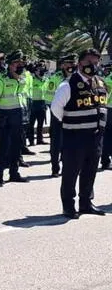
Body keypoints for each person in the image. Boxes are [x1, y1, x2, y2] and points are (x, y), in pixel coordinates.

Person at [50, 49, 107, 219]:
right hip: (75, 137)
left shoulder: (100, 83)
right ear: (80, 63)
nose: (94, 66)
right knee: (70, 172)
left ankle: (86, 203)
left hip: (95, 137)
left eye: (96, 63)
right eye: (90, 62)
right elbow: (56, 109)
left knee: (90, 171)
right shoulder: (68, 84)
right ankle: (68, 206)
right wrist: (74, 125)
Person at [0, 50, 29, 185]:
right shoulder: (1, 80)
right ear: (10, 65)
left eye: (21, 63)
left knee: (17, 147)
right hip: (6, 117)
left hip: (19, 116)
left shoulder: (22, 80)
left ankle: (14, 173)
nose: (19, 65)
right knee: (4, 147)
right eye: (16, 63)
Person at [46, 54, 77, 177]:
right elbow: (49, 97)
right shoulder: (55, 78)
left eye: (73, 63)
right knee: (56, 142)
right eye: (68, 63)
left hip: (72, 114)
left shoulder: (77, 77)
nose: (71, 66)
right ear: (62, 65)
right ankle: (55, 167)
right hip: (57, 114)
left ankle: (67, 167)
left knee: (69, 142)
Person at [28, 60, 48, 146]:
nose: (42, 70)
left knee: (41, 123)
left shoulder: (46, 80)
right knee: (31, 124)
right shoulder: (31, 80)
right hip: (33, 103)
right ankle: (31, 141)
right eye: (40, 69)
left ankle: (40, 139)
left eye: (43, 68)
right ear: (35, 70)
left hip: (42, 103)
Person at [101, 63, 112, 169]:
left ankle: (105, 160)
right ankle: (105, 161)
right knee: (108, 136)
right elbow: (105, 98)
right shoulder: (109, 81)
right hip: (109, 110)